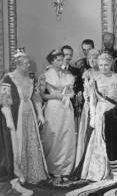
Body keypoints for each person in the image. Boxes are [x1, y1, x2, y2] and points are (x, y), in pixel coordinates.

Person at [0, 49, 48, 185]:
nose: (28, 66)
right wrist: (9, 119)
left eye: (28, 63)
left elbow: (36, 97)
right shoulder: (8, 78)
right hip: (16, 115)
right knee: (17, 143)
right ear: (18, 64)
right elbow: (4, 99)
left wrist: (39, 113)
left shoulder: (30, 78)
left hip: (30, 115)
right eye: (26, 64)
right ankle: (19, 171)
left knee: (31, 141)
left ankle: (33, 171)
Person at [80, 53, 117, 181]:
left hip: (115, 112)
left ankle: (116, 170)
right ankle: (100, 171)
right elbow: (92, 101)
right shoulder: (95, 80)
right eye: (101, 65)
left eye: (106, 65)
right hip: (101, 112)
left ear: (111, 64)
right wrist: (93, 118)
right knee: (101, 140)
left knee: (115, 140)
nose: (104, 67)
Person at [40, 49, 76, 184]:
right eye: (58, 60)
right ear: (52, 61)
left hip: (67, 108)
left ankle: (65, 170)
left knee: (66, 136)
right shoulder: (45, 75)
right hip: (53, 107)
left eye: (62, 59)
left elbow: (71, 91)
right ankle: (53, 168)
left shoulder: (68, 74)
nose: (61, 62)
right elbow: (42, 95)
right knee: (53, 136)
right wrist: (55, 95)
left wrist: (70, 94)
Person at [74, 49, 100, 170]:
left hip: (101, 106)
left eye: (95, 57)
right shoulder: (86, 74)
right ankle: (86, 164)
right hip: (89, 107)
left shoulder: (104, 72)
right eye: (90, 57)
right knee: (88, 132)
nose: (92, 60)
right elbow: (85, 93)